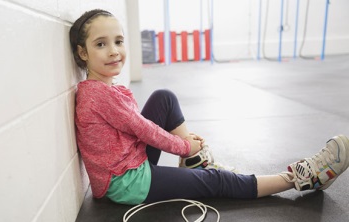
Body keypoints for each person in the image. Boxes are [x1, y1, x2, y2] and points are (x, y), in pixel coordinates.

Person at [69, 9, 349, 205]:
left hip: (126, 163)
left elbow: (136, 129)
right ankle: (301, 178)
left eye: (118, 41)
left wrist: (187, 145)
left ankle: (194, 162)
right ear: (83, 53)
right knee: (215, 182)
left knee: (163, 97)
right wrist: (184, 145)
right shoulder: (99, 95)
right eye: (101, 44)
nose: (114, 51)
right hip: (126, 183)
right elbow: (144, 130)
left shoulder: (101, 89)